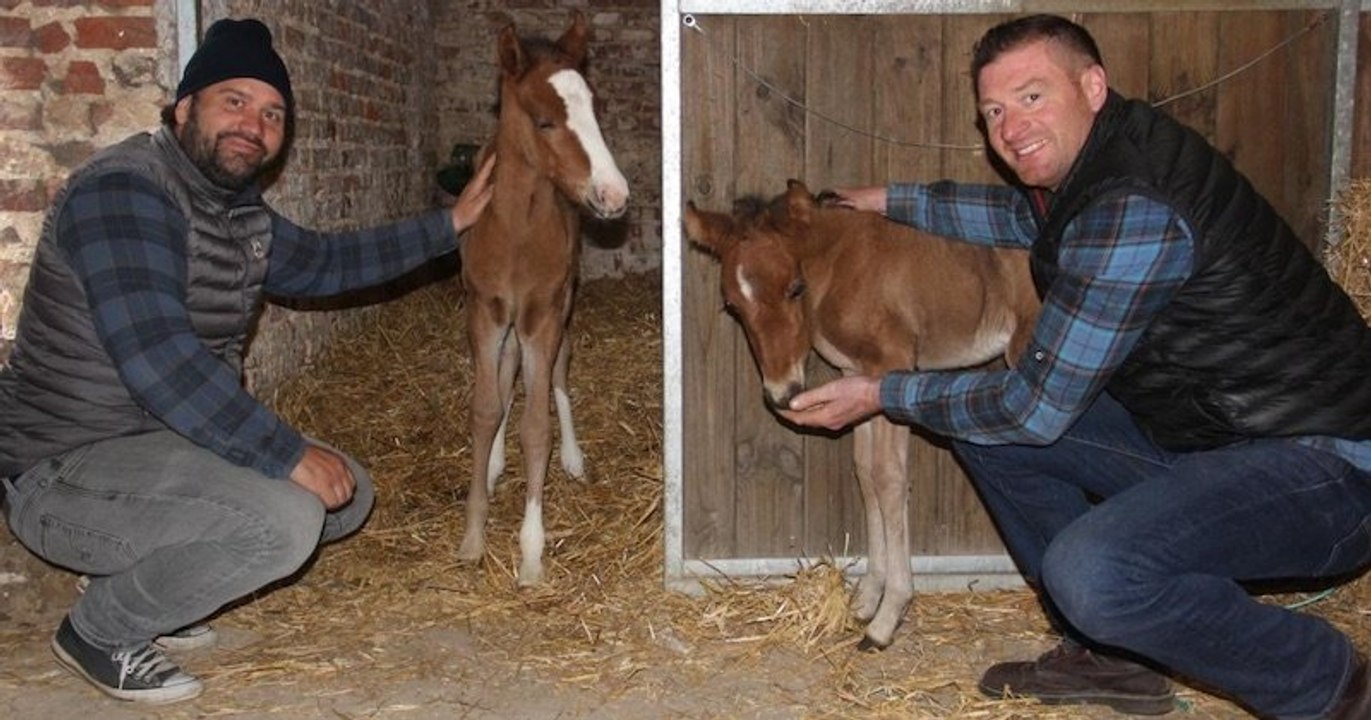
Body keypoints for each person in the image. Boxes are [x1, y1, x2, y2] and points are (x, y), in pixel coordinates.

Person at [780, 14, 1371, 720]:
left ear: (1091, 85)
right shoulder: (1104, 157)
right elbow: (1021, 218)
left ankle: (1330, 686)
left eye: (1031, 97)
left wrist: (884, 392)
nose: (1008, 126)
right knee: (980, 420)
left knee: (1094, 570)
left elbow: (1035, 409)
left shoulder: (1134, 205)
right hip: (1214, 439)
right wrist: (887, 202)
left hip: (1323, 469)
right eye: (993, 111)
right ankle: (1113, 661)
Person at [0, 18, 494, 704]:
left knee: (346, 493)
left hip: (153, 447)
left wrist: (450, 225)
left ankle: (144, 587)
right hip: (63, 467)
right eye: (233, 100)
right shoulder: (123, 191)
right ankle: (100, 629)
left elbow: (325, 263)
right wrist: (284, 451)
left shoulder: (237, 212)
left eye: (271, 113)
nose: (253, 125)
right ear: (182, 107)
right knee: (284, 522)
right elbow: (160, 360)